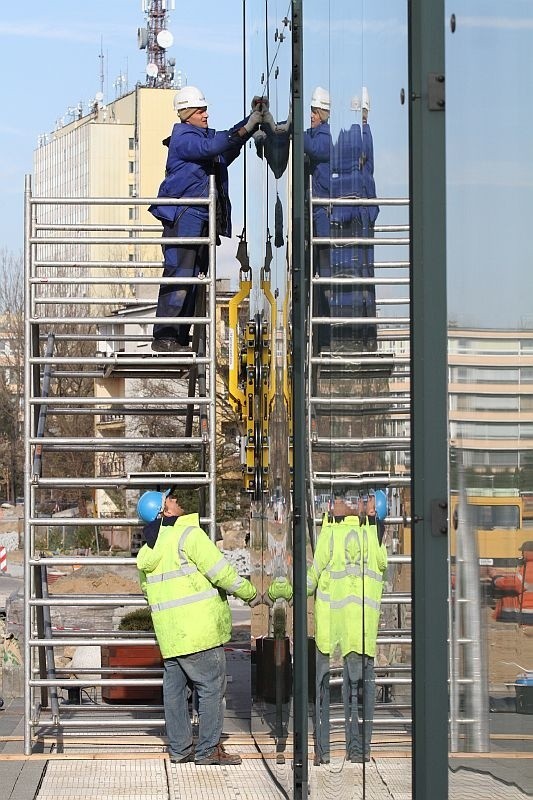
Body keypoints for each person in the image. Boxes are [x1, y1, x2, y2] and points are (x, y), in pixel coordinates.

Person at [135, 488, 260, 765]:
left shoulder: (147, 552)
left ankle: (180, 749)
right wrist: (251, 594)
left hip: (170, 636)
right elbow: (222, 573)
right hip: (200, 632)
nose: (177, 500)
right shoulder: (189, 536)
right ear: (165, 511)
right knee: (212, 688)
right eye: (171, 499)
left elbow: (148, 592)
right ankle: (208, 750)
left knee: (175, 693)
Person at [148, 87, 263, 353]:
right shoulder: (184, 138)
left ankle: (179, 336)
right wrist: (246, 127)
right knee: (180, 275)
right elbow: (215, 146)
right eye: (201, 110)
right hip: (185, 214)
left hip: (200, 217)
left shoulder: (202, 139)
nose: (206, 114)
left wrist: (249, 120)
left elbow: (224, 149)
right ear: (187, 114)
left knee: (195, 278)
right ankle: (165, 336)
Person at [306, 494, 387, 764]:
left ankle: (325, 752)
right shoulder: (373, 536)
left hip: (331, 634)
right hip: (362, 633)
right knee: (359, 695)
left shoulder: (330, 535)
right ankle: (359, 751)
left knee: (324, 692)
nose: (330, 504)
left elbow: (310, 579)